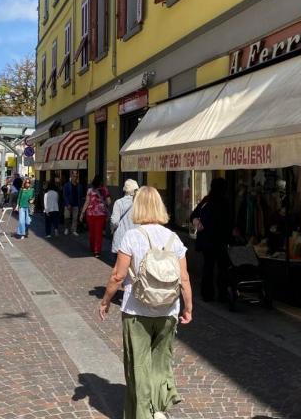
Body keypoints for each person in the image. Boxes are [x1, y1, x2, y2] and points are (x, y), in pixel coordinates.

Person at [99, 186, 193, 419]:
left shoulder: (133, 236)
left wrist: (106, 300)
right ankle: (159, 409)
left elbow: (118, 276)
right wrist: (188, 307)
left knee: (138, 366)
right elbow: (184, 278)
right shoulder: (174, 238)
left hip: (137, 310)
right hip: (168, 309)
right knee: (161, 362)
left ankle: (141, 413)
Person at [190, 177, 233, 302]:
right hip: (220, 241)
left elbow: (193, 215)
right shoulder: (224, 202)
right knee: (222, 268)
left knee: (208, 267)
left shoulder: (206, 201)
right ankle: (222, 294)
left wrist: (196, 221)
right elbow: (229, 222)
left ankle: (207, 294)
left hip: (207, 241)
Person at [80, 175, 111, 258]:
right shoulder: (105, 190)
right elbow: (109, 202)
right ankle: (97, 251)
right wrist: (103, 202)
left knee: (92, 232)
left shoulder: (90, 190)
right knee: (99, 233)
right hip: (101, 215)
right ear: (101, 181)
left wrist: (82, 213)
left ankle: (92, 247)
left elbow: (87, 202)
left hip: (90, 214)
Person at [110, 179, 139, 262]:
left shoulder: (118, 203)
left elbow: (114, 221)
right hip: (136, 238)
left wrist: (112, 229)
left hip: (121, 239)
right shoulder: (139, 203)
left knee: (120, 268)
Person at [63, 170, 84, 236]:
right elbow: (65, 195)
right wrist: (67, 204)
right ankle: (66, 228)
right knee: (67, 217)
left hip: (76, 204)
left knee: (75, 218)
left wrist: (81, 206)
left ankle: (73, 230)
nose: (75, 177)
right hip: (68, 204)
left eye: (76, 176)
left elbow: (80, 197)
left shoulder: (80, 186)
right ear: (71, 176)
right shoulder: (66, 185)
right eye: (74, 176)